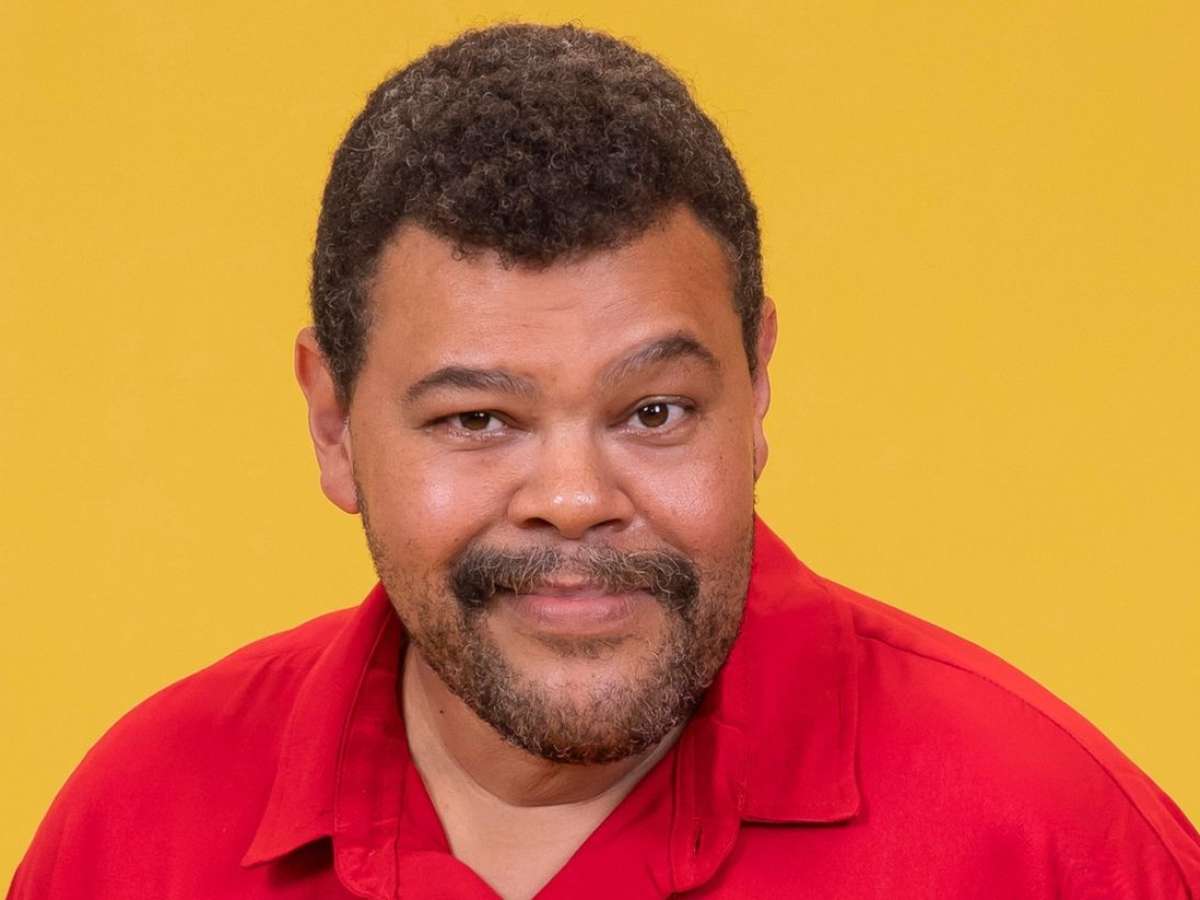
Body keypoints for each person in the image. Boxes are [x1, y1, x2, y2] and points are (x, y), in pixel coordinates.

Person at [9, 22, 1199, 900]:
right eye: (478, 420)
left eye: (654, 411)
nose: (575, 501)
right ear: (332, 422)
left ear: (757, 385)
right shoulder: (134, 837)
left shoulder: (1052, 846)